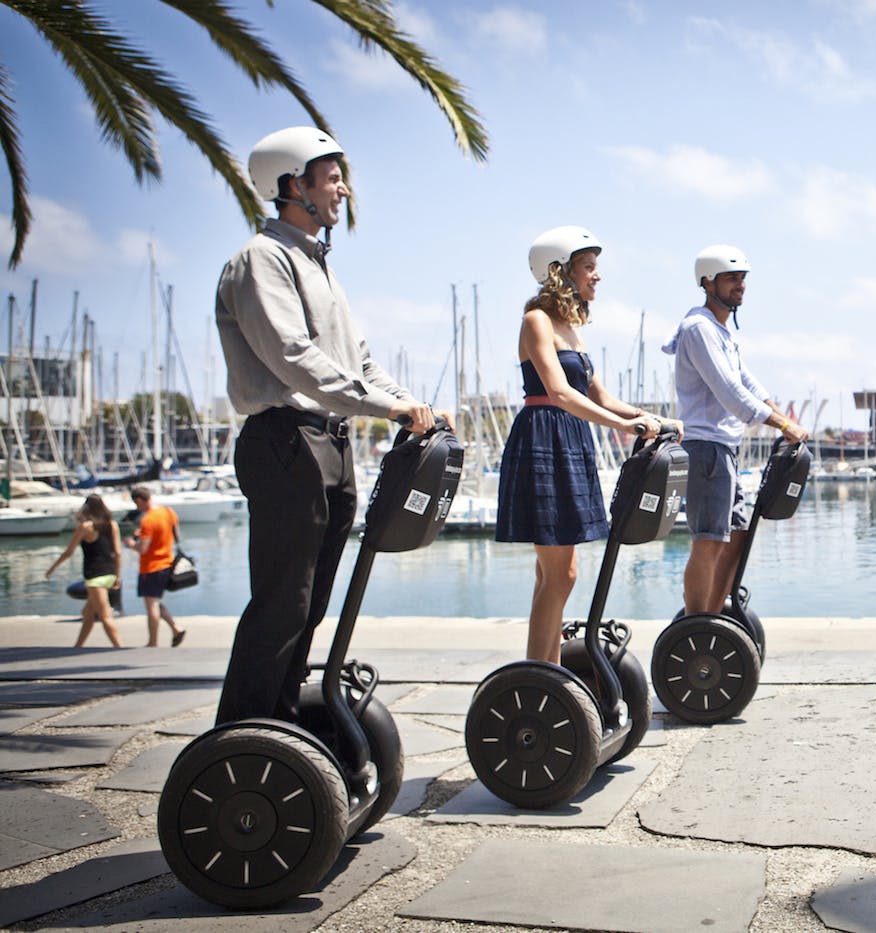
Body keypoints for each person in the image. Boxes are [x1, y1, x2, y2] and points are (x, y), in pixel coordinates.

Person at [212, 126, 442, 724]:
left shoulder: (319, 268)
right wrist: (385, 408)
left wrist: (413, 404)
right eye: (333, 178)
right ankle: (243, 733)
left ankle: (282, 723)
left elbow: (359, 363)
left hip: (329, 444)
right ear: (294, 185)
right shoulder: (262, 260)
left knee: (311, 604)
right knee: (282, 602)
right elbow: (292, 357)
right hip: (285, 441)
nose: (343, 191)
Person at [496, 226, 679, 663]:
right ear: (560, 272)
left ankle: (546, 672)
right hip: (545, 436)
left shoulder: (573, 328)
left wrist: (649, 417)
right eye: (589, 267)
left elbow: (601, 397)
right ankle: (541, 674)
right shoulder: (536, 320)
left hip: (571, 437)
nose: (597, 277)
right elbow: (558, 391)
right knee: (561, 576)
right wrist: (622, 426)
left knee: (556, 575)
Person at [663, 245, 808, 614]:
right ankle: (694, 626)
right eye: (731, 278)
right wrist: (783, 425)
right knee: (709, 541)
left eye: (743, 278)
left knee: (738, 535)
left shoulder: (723, 333)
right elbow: (731, 395)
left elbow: (752, 387)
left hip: (725, 450)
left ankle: (712, 616)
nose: (739, 285)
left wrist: (788, 422)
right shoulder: (698, 328)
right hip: (706, 449)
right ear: (708, 282)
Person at [44, 495, 124, 648]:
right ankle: (78, 647)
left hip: (95, 576)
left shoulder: (85, 527)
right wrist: (117, 576)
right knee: (88, 614)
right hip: (110, 572)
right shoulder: (112, 524)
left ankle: (120, 648)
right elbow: (118, 552)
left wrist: (52, 568)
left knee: (105, 616)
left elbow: (69, 552)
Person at [125, 486, 186, 647]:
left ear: (139, 501)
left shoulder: (148, 520)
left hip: (151, 566)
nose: (137, 508)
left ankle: (153, 642)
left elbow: (142, 548)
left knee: (151, 605)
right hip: (167, 562)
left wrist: (131, 544)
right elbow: (176, 534)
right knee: (156, 601)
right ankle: (175, 628)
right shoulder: (168, 512)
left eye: (137, 504)